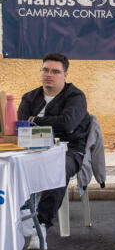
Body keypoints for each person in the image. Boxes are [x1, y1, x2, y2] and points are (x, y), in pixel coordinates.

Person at [17, 53, 89, 228]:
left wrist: (35, 120)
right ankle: (22, 211)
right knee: (12, 164)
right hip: (31, 147)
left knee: (57, 168)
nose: (49, 75)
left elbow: (68, 124)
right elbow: (20, 126)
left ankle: (41, 224)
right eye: (45, 70)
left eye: (55, 71)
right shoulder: (29, 97)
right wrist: (50, 122)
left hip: (69, 149)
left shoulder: (75, 97)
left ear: (65, 74)